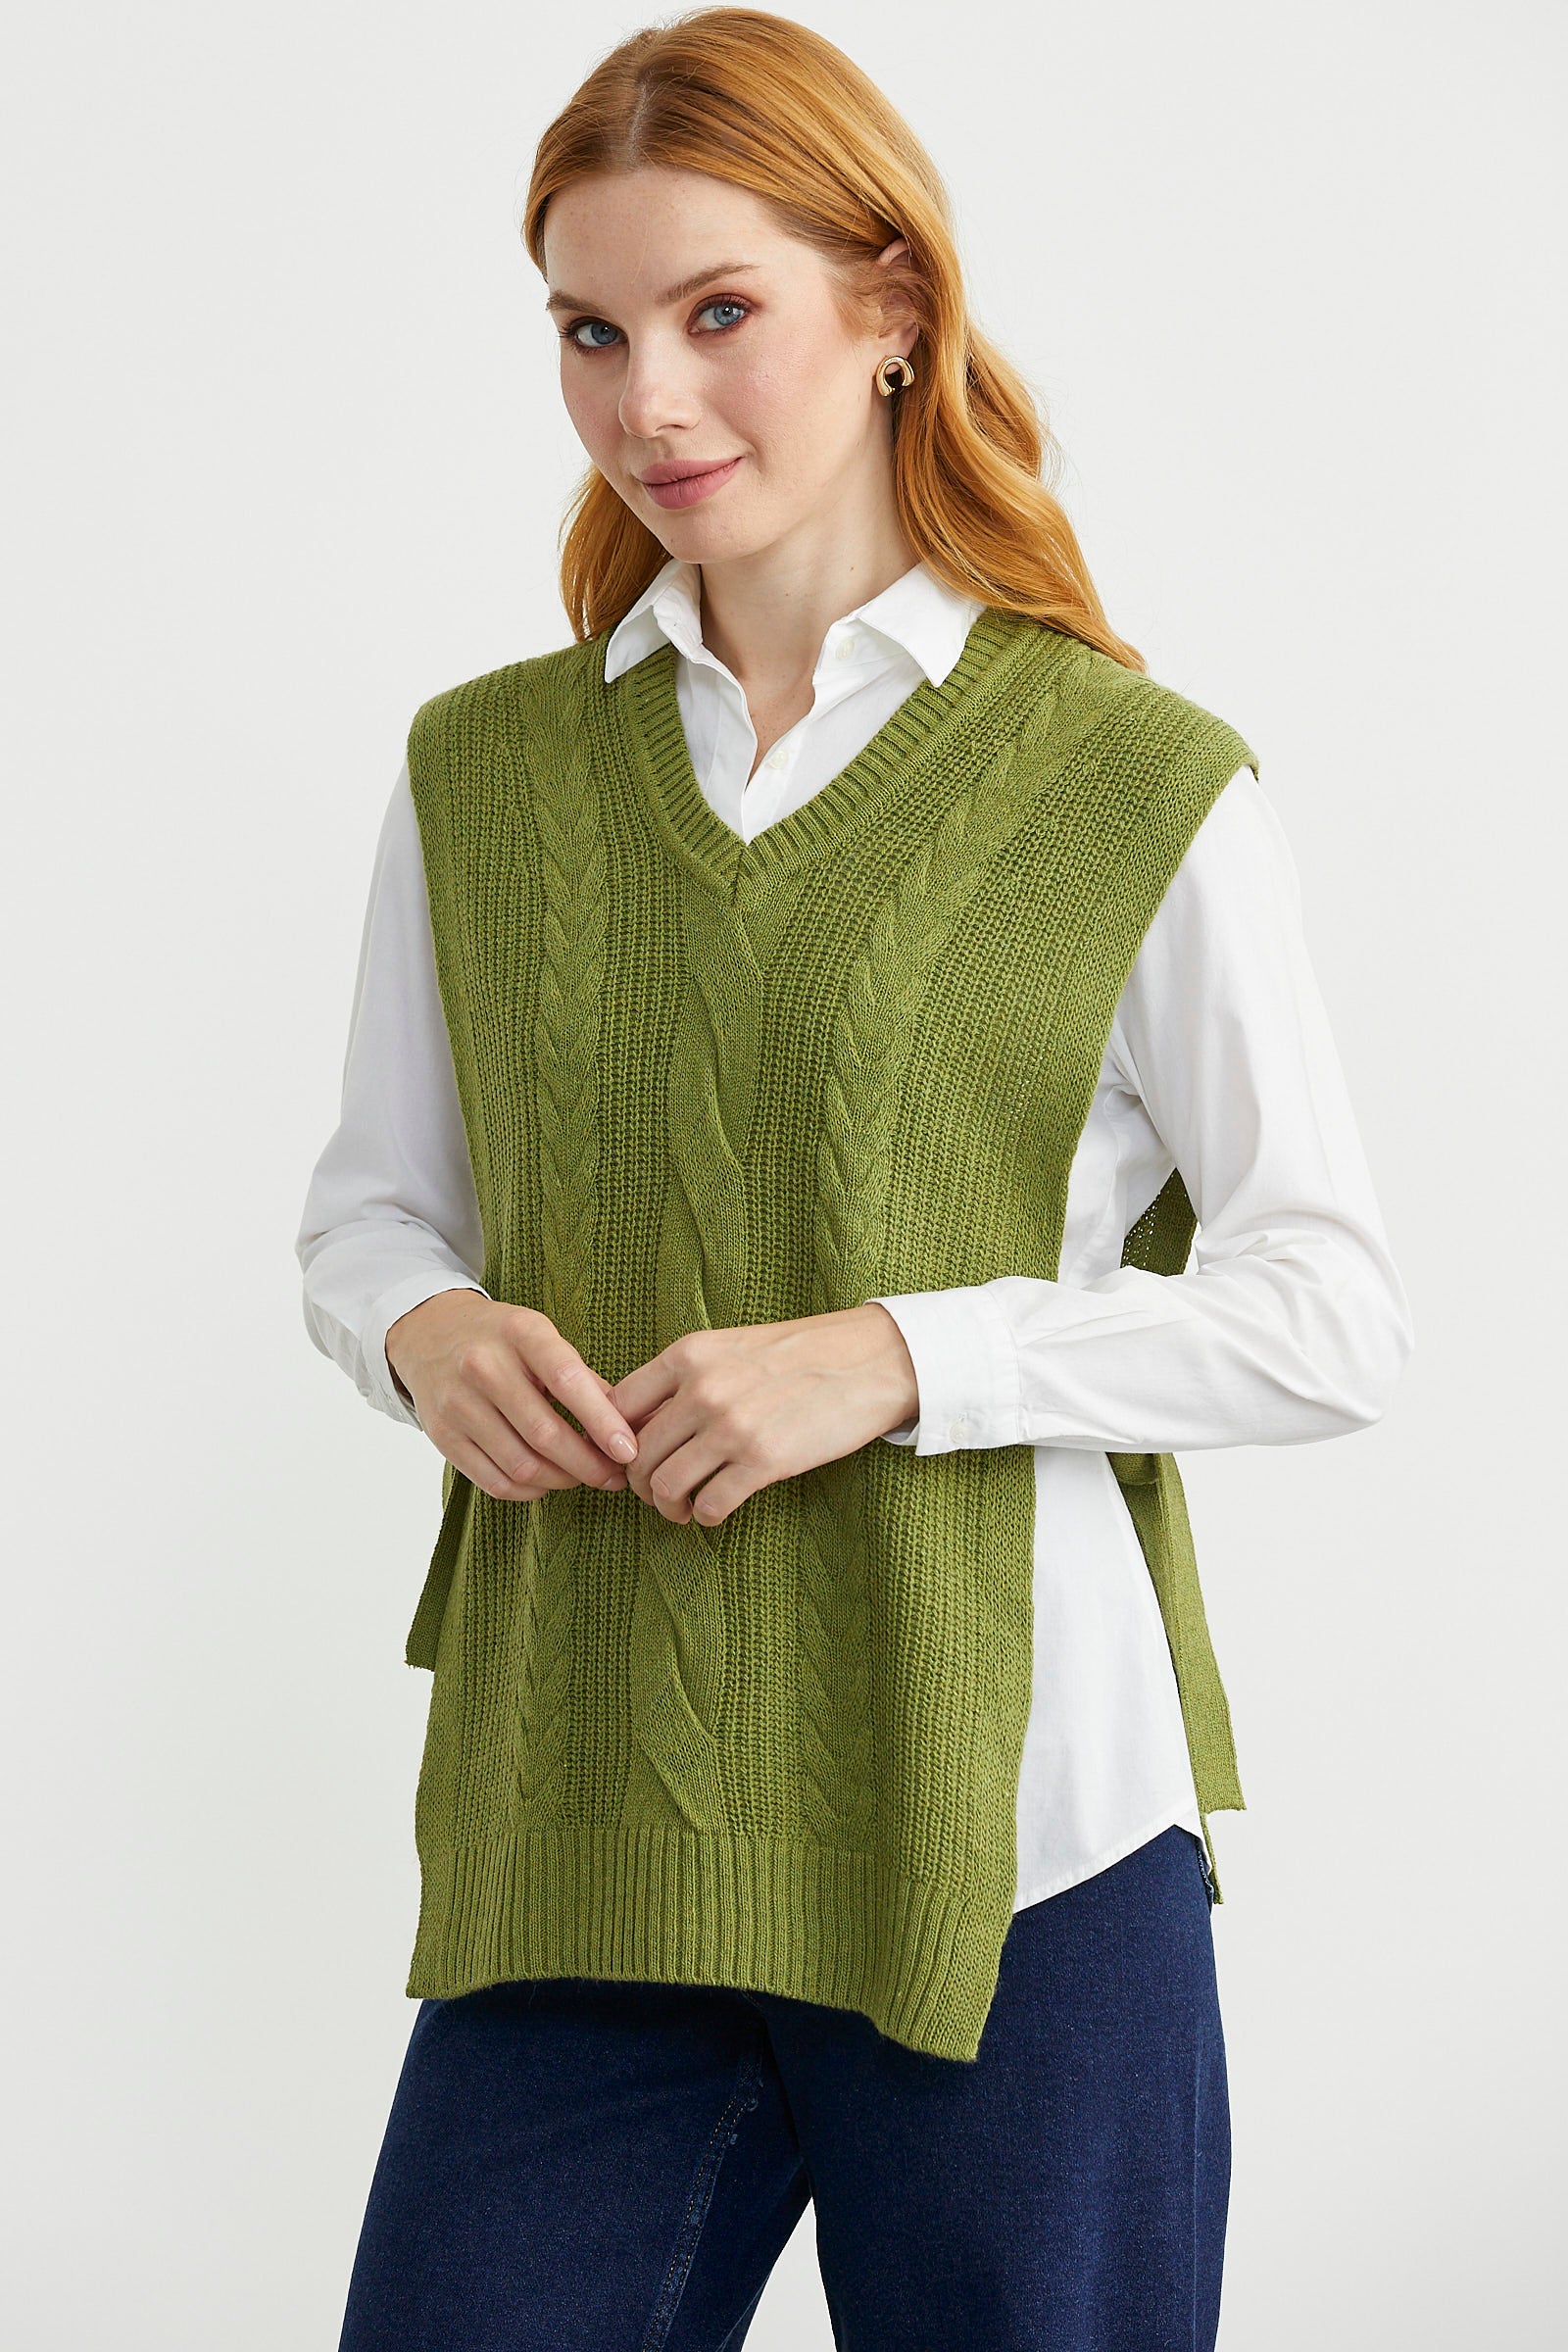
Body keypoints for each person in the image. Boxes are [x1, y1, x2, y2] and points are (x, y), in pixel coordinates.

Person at [295, 11, 1415, 2346]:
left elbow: (1328, 1313)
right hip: (583, 1823)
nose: (646, 401)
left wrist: (902, 1359)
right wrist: (421, 1328)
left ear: (892, 307)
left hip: (1014, 1842)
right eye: (588, 332)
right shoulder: (482, 775)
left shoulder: (1130, 780)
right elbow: (371, 1209)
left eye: (719, 313)